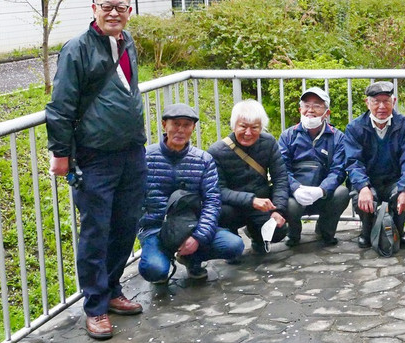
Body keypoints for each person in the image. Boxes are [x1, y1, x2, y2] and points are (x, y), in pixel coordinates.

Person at [45, 0, 147, 340]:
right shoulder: (77, 49)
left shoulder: (127, 42)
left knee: (125, 225)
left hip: (131, 151)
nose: (114, 13)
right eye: (107, 6)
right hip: (94, 155)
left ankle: (113, 289)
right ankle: (95, 306)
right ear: (94, 9)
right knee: (95, 232)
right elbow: (60, 106)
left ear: (129, 12)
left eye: (120, 7)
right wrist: (61, 154)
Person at [138, 104, 244, 284]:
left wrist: (198, 237)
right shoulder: (146, 157)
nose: (180, 130)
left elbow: (212, 201)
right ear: (164, 125)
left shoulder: (203, 160)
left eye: (186, 125)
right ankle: (162, 259)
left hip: (191, 225)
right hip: (156, 228)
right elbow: (134, 197)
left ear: (193, 128)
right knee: (154, 270)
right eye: (175, 124)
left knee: (233, 245)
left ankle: (192, 259)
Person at [207, 100, 289, 256]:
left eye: (255, 127)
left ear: (261, 127)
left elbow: (280, 178)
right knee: (221, 213)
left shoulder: (269, 143)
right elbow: (219, 190)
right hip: (233, 206)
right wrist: (251, 200)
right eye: (243, 127)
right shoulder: (216, 151)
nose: (248, 133)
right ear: (234, 126)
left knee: (278, 231)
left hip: (261, 203)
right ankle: (231, 241)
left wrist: (278, 210)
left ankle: (257, 237)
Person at [344, 81, 405, 249]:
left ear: (394, 101)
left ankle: (399, 231)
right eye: (376, 101)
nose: (381, 107)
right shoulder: (354, 127)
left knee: (404, 193)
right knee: (362, 196)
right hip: (368, 179)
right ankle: (367, 232)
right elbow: (353, 162)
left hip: (394, 179)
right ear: (367, 103)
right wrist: (363, 187)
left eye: (386, 101)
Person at [277, 87, 350, 246]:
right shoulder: (287, 136)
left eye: (317, 105)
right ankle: (293, 233)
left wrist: (322, 190)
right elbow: (281, 170)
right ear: (300, 110)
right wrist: (295, 188)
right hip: (296, 195)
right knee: (290, 205)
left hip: (323, 195)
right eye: (306, 105)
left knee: (342, 193)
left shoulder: (338, 137)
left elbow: (338, 170)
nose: (310, 110)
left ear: (327, 112)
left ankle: (325, 231)